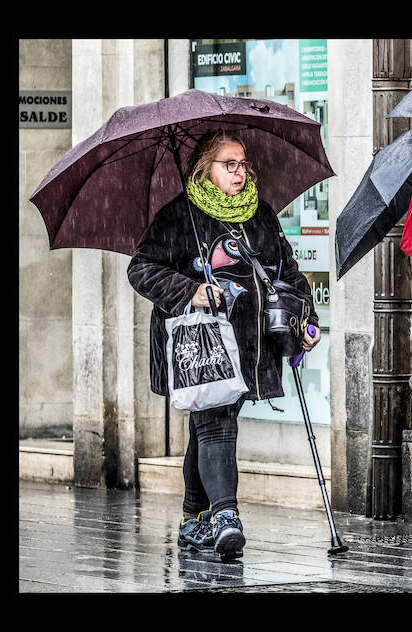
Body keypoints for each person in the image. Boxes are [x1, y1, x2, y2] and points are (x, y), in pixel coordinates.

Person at [127, 129, 320, 562]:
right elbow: (141, 269)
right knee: (215, 421)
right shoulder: (179, 215)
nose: (239, 172)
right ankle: (225, 515)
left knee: (208, 423)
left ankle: (193, 519)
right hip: (199, 344)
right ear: (204, 170)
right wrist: (190, 290)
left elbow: (286, 271)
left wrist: (306, 317)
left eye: (242, 163)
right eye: (228, 164)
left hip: (249, 346)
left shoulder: (261, 214)